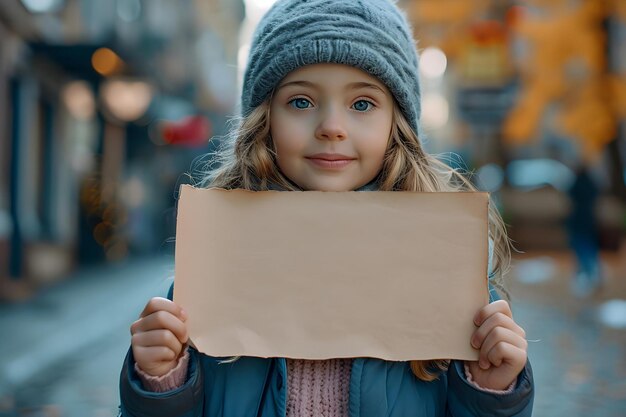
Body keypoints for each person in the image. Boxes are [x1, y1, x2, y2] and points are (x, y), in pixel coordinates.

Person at [119, 0, 534, 415]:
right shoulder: (209, 271)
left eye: (362, 104)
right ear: (264, 121)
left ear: (397, 124)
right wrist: (163, 379)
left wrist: (489, 388)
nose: (331, 127)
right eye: (301, 102)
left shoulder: (449, 271)